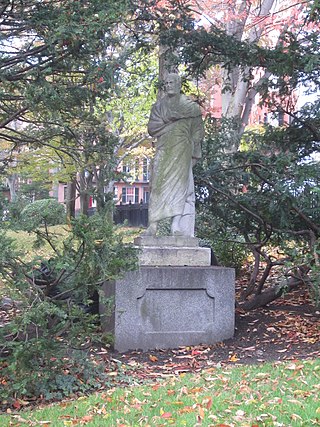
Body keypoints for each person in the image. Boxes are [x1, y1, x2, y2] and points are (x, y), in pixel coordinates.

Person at [144, 73, 204, 237]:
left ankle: (176, 225)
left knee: (180, 188)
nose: (169, 85)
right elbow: (152, 128)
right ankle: (153, 225)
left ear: (179, 84)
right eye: (167, 83)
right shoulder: (159, 107)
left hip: (182, 151)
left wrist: (193, 146)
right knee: (157, 185)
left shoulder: (191, 107)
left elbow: (198, 131)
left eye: (172, 82)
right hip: (164, 149)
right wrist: (169, 123)